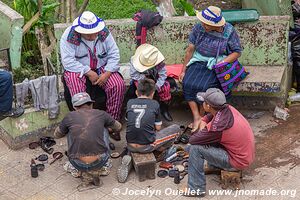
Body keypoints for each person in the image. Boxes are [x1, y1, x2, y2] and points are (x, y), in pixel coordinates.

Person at [60, 11, 126, 140]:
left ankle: (111, 124)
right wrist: (88, 72)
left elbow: (114, 55)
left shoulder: (104, 33)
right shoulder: (69, 36)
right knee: (77, 91)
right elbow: (68, 61)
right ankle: (83, 126)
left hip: (103, 67)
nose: (91, 36)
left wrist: (107, 74)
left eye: (94, 33)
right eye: (88, 34)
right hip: (78, 69)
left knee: (117, 85)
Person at [179, 6, 242, 132]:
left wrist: (221, 63)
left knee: (206, 88)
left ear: (215, 24)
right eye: (203, 22)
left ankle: (203, 117)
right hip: (199, 60)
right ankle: (196, 116)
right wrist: (183, 70)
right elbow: (190, 50)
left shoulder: (228, 31)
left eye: (207, 24)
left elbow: (237, 52)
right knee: (187, 83)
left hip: (218, 63)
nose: (204, 25)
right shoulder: (198, 28)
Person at [182, 88, 255, 197]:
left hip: (237, 161)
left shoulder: (219, 127)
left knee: (195, 148)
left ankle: (196, 189)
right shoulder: (227, 108)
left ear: (208, 106)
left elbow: (193, 140)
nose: (202, 104)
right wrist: (203, 122)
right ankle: (213, 165)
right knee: (202, 141)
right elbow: (208, 117)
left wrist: (202, 128)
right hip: (243, 155)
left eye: (204, 102)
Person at [54, 92, 122, 191]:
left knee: (69, 130)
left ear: (75, 107)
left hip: (77, 163)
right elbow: (118, 127)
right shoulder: (101, 114)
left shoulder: (69, 116)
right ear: (91, 104)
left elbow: (57, 135)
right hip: (100, 161)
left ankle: (84, 172)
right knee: (104, 128)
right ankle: (99, 168)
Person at [117, 78, 180, 183]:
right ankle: (160, 151)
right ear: (153, 93)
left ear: (137, 92)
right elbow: (158, 128)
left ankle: (129, 154)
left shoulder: (130, 102)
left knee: (137, 130)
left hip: (130, 144)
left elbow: (130, 121)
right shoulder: (155, 104)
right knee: (176, 128)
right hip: (147, 146)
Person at [129, 43, 173, 121]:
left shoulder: (158, 61)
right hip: (141, 78)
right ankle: (145, 110)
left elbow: (162, 75)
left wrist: (156, 86)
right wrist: (146, 80)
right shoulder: (134, 60)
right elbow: (134, 75)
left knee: (165, 87)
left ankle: (164, 109)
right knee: (142, 89)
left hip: (155, 78)